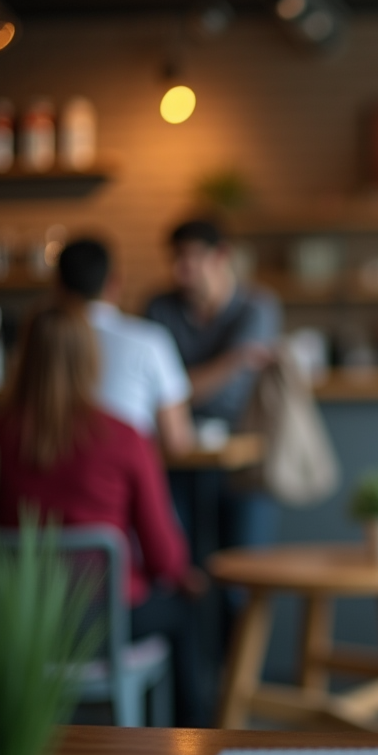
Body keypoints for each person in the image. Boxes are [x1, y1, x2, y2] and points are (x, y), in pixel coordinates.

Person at [0, 304, 208, 727]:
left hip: (21, 619)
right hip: (106, 620)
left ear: (23, 358)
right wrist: (182, 576)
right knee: (186, 610)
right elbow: (162, 556)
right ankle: (194, 743)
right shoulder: (124, 437)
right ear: (90, 359)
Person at [145, 219, 282, 552]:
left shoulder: (257, 307)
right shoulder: (159, 308)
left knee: (244, 564)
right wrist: (233, 360)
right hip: (176, 455)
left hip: (243, 456)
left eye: (189, 259)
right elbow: (156, 389)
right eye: (175, 259)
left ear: (221, 256)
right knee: (180, 561)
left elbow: (172, 390)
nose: (180, 270)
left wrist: (178, 384)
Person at [56, 237, 195, 456]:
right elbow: (176, 439)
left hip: (52, 477)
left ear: (58, 288)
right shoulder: (150, 340)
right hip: (125, 480)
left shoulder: (43, 343)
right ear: (114, 283)